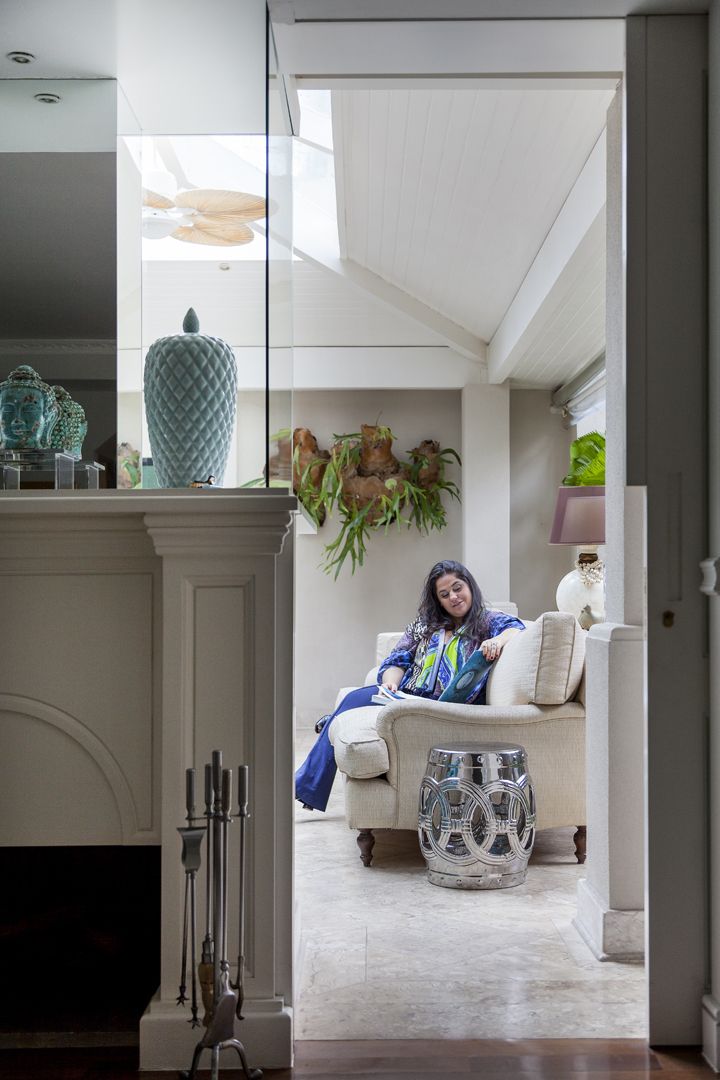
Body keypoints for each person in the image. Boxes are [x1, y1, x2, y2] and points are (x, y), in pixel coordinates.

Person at [295, 559, 525, 812]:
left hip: (443, 706)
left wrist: (497, 641)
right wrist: (390, 684)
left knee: (344, 710)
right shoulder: (425, 625)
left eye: (458, 588)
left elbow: (516, 628)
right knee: (353, 700)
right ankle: (308, 781)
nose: (453, 597)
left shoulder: (486, 622)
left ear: (469, 586)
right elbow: (397, 659)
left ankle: (308, 777)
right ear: (438, 600)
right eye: (444, 594)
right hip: (405, 695)